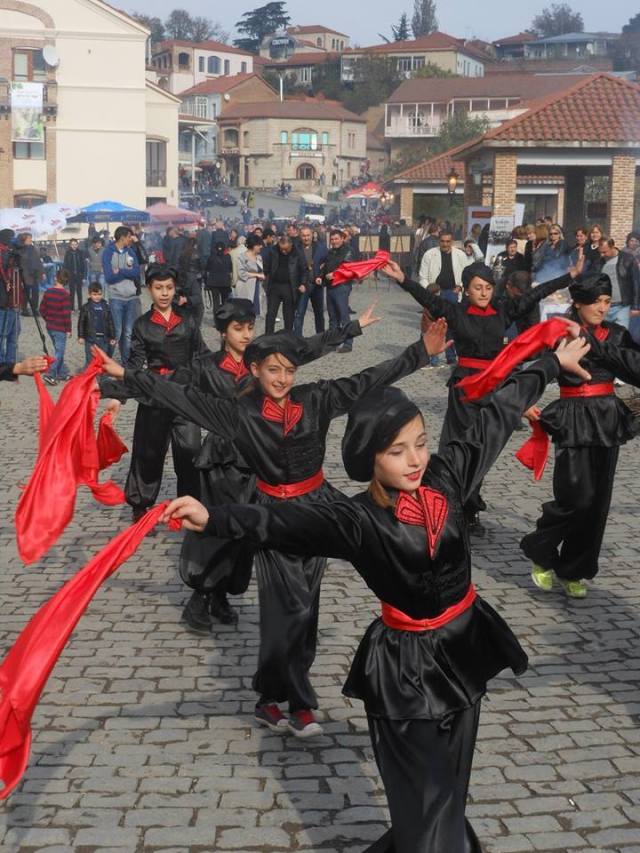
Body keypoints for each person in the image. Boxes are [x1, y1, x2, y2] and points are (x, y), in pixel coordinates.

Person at [159, 332, 590, 851]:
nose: (415, 460)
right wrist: (214, 517)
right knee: (426, 805)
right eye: (397, 450)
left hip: (464, 648)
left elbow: (496, 416)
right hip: (405, 674)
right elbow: (283, 522)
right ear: (370, 459)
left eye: (421, 443)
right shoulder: (356, 520)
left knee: (448, 795)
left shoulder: (449, 480)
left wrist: (549, 364)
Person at [97, 315, 446, 739]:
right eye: (273, 369)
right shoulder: (238, 414)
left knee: (307, 606)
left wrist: (420, 352)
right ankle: (290, 702)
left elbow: (366, 380)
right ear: (255, 370)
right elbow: (180, 396)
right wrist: (125, 377)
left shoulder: (316, 399)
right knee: (288, 608)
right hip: (273, 518)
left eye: (289, 370)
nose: (282, 378)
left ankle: (277, 698)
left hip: (319, 510)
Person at [180, 298, 377, 630]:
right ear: (222, 333)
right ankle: (200, 595)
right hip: (224, 462)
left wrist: (351, 328)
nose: (245, 335)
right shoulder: (206, 366)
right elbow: (176, 392)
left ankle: (222, 595)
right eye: (237, 329)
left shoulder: (267, 358)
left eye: (249, 328)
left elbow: (306, 349)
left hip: (259, 463)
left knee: (248, 533)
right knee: (217, 529)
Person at [384, 258, 579, 536]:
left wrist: (567, 277)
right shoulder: (456, 311)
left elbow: (535, 294)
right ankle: (455, 508)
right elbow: (427, 297)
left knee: (483, 450)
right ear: (466, 290)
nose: (485, 292)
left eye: (488, 287)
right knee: (459, 448)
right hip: (465, 390)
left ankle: (471, 507)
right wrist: (403, 279)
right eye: (478, 287)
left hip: (495, 387)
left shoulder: (503, 310)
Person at [521, 273, 640, 598]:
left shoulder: (616, 334)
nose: (602, 307)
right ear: (578, 303)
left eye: (606, 301)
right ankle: (540, 550)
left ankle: (574, 569)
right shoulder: (559, 333)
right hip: (573, 418)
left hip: (608, 419)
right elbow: (526, 363)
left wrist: (634, 412)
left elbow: (636, 369)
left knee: (597, 503)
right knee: (575, 497)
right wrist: (526, 403)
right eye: (595, 302)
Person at [105, 264, 208, 523]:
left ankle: (189, 506)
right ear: (149, 290)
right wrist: (119, 397)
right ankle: (141, 505)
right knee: (148, 453)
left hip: (185, 396)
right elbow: (132, 365)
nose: (164, 293)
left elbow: (202, 355)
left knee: (190, 452)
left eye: (169, 288)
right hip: (154, 396)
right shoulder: (142, 325)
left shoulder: (188, 321)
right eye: (158, 288)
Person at [418, 230, 472, 365]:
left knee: (452, 327)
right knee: (431, 326)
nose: (445, 244)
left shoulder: (460, 255)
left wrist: (460, 286)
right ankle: (430, 356)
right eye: (443, 241)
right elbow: (422, 276)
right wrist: (429, 290)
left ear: (452, 241)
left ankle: (451, 356)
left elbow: (467, 275)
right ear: (439, 241)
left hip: (453, 293)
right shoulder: (429, 255)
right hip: (435, 294)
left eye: (448, 241)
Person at [102, 226, 141, 363]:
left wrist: (121, 271)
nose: (131, 239)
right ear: (122, 237)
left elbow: (136, 272)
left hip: (131, 297)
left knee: (128, 333)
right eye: (129, 237)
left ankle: (126, 363)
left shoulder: (131, 252)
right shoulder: (108, 252)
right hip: (116, 298)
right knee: (116, 333)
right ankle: (105, 361)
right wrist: (125, 273)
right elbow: (109, 277)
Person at [589, 237, 640, 330]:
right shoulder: (598, 263)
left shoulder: (628, 259)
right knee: (605, 336)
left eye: (605, 252)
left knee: (621, 335)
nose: (602, 255)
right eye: (600, 252)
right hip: (604, 307)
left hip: (622, 306)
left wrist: (636, 306)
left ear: (612, 247)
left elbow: (636, 283)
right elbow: (592, 282)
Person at [263, 235, 307, 335]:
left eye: (286, 249)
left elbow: (304, 270)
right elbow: (266, 267)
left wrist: (303, 284)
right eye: (281, 249)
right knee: (270, 314)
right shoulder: (273, 251)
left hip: (290, 286)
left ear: (291, 245)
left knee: (288, 315)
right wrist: (265, 279)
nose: (283, 251)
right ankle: (268, 337)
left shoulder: (297, 253)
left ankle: (287, 337)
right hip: (275, 286)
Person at [321, 229, 353, 353]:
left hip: (342, 286)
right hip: (330, 286)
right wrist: (321, 276)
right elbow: (326, 267)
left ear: (342, 239)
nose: (334, 241)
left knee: (344, 316)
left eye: (336, 239)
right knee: (332, 317)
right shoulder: (330, 252)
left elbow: (347, 267)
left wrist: (335, 274)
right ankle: (332, 343)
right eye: (332, 239)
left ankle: (348, 343)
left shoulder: (348, 251)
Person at [294, 225, 327, 335]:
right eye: (303, 236)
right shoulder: (295, 248)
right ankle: (298, 340)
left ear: (312, 235)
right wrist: (298, 284)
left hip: (317, 285)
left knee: (319, 313)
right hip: (303, 286)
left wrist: (321, 276)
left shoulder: (321, 247)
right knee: (299, 313)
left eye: (308, 235)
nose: (306, 238)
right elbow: (292, 268)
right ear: (300, 236)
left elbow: (326, 263)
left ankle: (320, 337)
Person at [40, 269, 72, 385]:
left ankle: (61, 373)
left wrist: (48, 319)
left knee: (59, 350)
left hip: (50, 327)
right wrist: (68, 329)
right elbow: (66, 314)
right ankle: (51, 373)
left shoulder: (48, 292)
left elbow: (41, 309)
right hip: (60, 328)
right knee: (60, 351)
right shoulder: (65, 295)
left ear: (55, 278)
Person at [78, 282, 116, 366]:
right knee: (90, 360)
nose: (97, 297)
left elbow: (110, 322)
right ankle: (91, 378)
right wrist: (81, 336)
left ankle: (101, 377)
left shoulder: (106, 307)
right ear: (89, 294)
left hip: (104, 339)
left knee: (102, 359)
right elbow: (81, 322)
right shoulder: (85, 307)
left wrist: (112, 336)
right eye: (94, 294)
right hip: (90, 339)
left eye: (99, 294)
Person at [0, 229, 20, 365]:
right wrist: (7, 281)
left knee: (15, 332)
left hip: (14, 300)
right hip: (4, 300)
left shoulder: (10, 254)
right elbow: (3, 271)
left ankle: (10, 360)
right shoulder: (3, 255)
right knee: (2, 333)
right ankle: (2, 361)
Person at [177, 236, 204, 326]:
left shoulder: (182, 253)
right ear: (195, 244)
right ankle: (195, 320)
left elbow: (179, 265)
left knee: (186, 297)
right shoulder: (197, 253)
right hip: (196, 277)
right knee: (197, 299)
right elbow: (201, 265)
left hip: (184, 278)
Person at [17, 233, 45, 317]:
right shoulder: (20, 250)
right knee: (26, 293)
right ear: (24, 239)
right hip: (25, 274)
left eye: (31, 238)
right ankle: (24, 309)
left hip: (35, 274)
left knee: (35, 292)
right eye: (29, 238)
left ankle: (35, 309)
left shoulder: (33, 248)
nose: (30, 240)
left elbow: (38, 261)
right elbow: (20, 263)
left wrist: (42, 272)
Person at [236, 234, 265, 314]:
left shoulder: (259, 257)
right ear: (254, 245)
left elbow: (262, 271)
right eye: (259, 245)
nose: (261, 247)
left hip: (257, 287)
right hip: (245, 287)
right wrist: (257, 275)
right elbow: (242, 273)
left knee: (253, 313)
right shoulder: (242, 257)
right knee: (244, 312)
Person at [206, 242, 233, 320]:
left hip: (214, 283)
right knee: (225, 301)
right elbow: (230, 269)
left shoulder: (211, 257)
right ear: (225, 248)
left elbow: (207, 269)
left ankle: (216, 320)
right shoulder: (228, 257)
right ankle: (224, 319)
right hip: (225, 282)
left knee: (216, 303)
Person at [63, 238, 88, 312]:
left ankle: (80, 307)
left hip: (79, 275)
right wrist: (66, 276)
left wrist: (84, 276)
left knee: (79, 291)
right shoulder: (67, 253)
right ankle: (71, 308)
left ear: (77, 245)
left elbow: (84, 265)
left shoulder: (81, 252)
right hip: (71, 275)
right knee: (72, 292)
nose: (74, 246)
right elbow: (65, 265)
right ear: (70, 245)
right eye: (72, 244)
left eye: (75, 244)